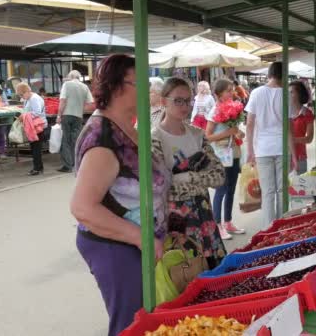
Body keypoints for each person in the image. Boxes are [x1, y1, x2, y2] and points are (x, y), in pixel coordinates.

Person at [70, 54, 170, 336]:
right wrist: (141, 238)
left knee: (149, 320)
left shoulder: (128, 127)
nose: (148, 91)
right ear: (115, 88)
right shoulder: (103, 137)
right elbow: (83, 208)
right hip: (115, 247)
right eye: (140, 83)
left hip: (138, 244)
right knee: (132, 324)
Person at [152, 77, 227, 268]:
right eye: (178, 100)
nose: (184, 105)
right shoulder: (155, 139)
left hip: (204, 217)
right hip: (176, 222)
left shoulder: (197, 134)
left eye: (188, 100)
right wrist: (200, 178)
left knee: (213, 272)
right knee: (185, 273)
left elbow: (218, 176)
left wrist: (186, 176)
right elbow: (161, 186)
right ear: (163, 101)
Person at [245, 62, 297, 227]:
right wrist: (294, 155)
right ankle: (282, 226)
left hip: (262, 149)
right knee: (282, 191)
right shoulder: (286, 95)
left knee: (267, 193)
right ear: (284, 76)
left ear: (269, 74)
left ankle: (269, 228)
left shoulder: (256, 93)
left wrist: (250, 151)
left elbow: (249, 124)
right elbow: (289, 128)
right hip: (282, 148)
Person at [205, 79, 246, 240]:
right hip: (221, 157)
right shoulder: (214, 111)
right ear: (218, 94)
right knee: (221, 190)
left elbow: (233, 131)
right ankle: (217, 225)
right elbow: (208, 136)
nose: (232, 93)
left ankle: (228, 222)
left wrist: (238, 133)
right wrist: (228, 133)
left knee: (231, 189)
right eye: (228, 91)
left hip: (233, 154)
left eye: (232, 90)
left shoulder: (234, 109)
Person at [57, 70, 94, 173]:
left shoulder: (66, 84)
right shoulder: (84, 87)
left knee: (66, 140)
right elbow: (90, 103)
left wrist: (59, 115)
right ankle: (77, 163)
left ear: (71, 76)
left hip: (66, 115)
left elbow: (63, 101)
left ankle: (67, 165)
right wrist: (81, 109)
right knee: (76, 140)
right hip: (78, 116)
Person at [16, 83, 47, 176]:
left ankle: (37, 168)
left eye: (22, 95)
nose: (22, 97)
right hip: (34, 126)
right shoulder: (29, 98)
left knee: (36, 148)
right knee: (34, 147)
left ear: (27, 91)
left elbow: (37, 113)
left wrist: (24, 116)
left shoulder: (34, 99)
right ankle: (39, 167)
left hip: (38, 126)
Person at [290, 81, 314, 174]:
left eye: (292, 92)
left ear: (299, 94)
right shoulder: (284, 111)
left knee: (299, 186)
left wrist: (291, 140)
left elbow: (309, 138)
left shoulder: (307, 113)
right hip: (283, 155)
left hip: (300, 156)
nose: (288, 94)